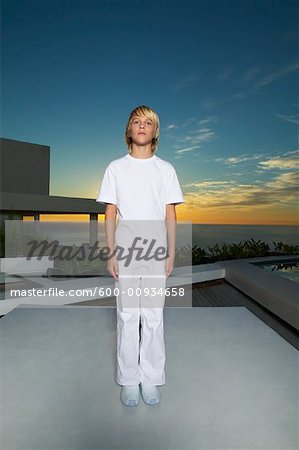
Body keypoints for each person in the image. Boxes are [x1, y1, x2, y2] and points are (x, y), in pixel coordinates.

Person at [96, 105, 184, 407]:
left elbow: (170, 214)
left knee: (154, 315)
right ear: (129, 130)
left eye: (148, 122)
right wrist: (111, 253)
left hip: (157, 248)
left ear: (155, 131)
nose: (142, 126)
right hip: (127, 247)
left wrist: (171, 252)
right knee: (127, 314)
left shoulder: (166, 169)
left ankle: (151, 377)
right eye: (137, 121)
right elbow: (109, 214)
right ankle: (129, 379)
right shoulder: (115, 168)